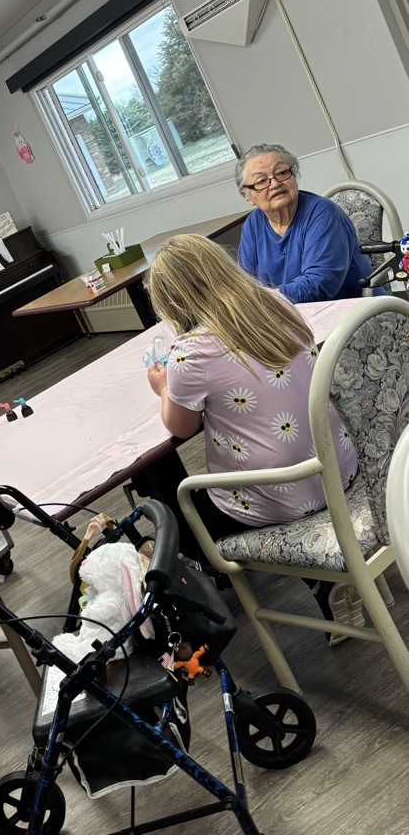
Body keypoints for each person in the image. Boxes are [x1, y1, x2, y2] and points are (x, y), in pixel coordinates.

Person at [144, 234, 362, 643]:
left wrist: (161, 387)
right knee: (267, 462)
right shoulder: (277, 304)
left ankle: (315, 579)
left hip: (287, 490)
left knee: (179, 510)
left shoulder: (189, 355)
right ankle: (327, 577)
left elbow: (181, 427)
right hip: (336, 461)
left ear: (171, 302)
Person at [235, 143, 377, 302]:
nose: (275, 184)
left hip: (353, 308)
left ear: (294, 176)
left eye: (282, 173)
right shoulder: (253, 224)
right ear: (248, 196)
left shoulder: (324, 215)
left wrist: (264, 301)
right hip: (289, 311)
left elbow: (318, 286)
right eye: (261, 181)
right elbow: (246, 283)